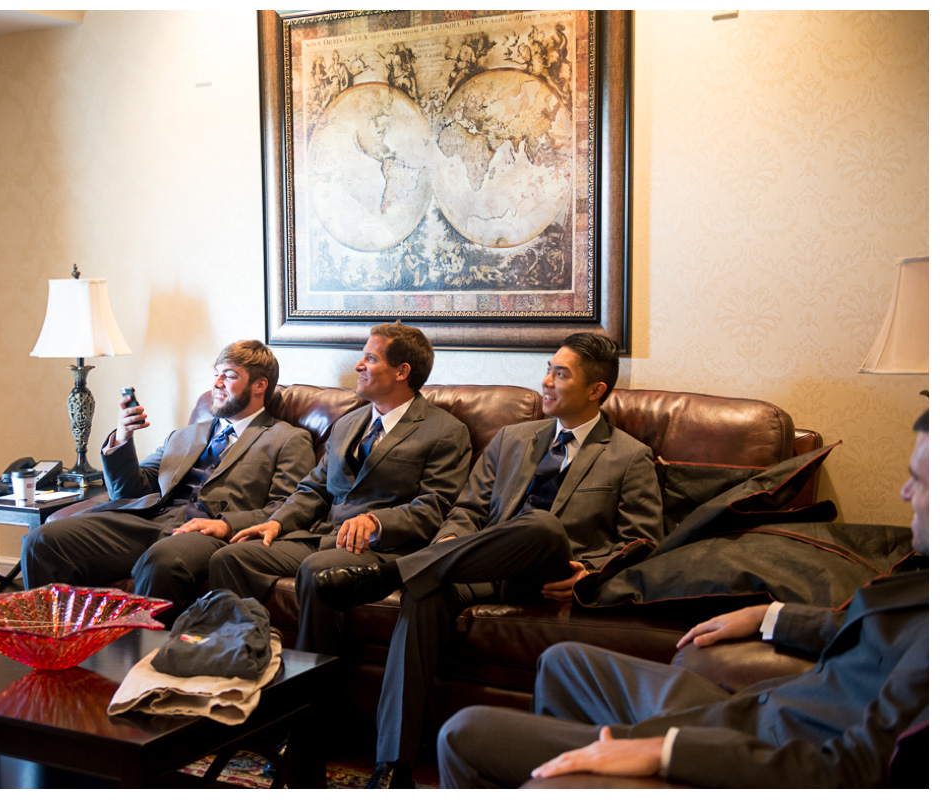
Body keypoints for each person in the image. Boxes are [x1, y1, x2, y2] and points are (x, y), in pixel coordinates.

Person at [437, 409, 930, 789]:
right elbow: (871, 631)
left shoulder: (625, 454)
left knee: (466, 732)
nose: (905, 492)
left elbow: (858, 769)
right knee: (564, 661)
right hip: (756, 707)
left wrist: (665, 753)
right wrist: (771, 615)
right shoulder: (921, 577)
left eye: (922, 480)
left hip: (761, 742)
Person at [313, 332, 662, 788]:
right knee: (424, 591)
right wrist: (451, 540)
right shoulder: (512, 439)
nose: (546, 382)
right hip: (479, 569)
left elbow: (644, 542)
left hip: (549, 572)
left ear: (596, 390)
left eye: (561, 374)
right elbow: (468, 510)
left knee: (541, 525)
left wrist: (591, 575)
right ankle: (392, 766)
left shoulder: (629, 456)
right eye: (548, 369)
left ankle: (389, 573)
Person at [209, 322, 473, 657]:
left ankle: (311, 687)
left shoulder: (445, 430)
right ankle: (238, 661)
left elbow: (436, 506)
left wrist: (378, 523)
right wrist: (278, 521)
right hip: (322, 537)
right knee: (229, 557)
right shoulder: (349, 422)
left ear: (401, 371)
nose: (358, 366)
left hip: (381, 549)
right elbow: (315, 487)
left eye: (370, 358)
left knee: (318, 570)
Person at [21, 340, 314, 620]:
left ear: (260, 385)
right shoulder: (184, 435)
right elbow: (129, 491)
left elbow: (285, 508)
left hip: (209, 533)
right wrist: (123, 438)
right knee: (42, 541)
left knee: (161, 560)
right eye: (216, 375)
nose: (217, 383)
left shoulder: (286, 438)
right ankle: (55, 650)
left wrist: (226, 526)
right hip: (150, 520)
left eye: (229, 375)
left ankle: (145, 665)